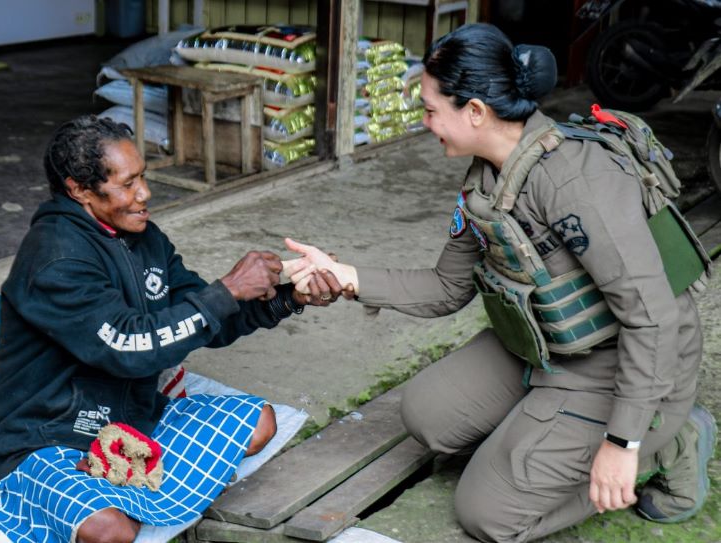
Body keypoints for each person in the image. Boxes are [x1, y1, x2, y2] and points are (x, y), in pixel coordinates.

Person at [282, 23, 717, 543]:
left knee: (488, 512)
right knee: (429, 416)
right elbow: (448, 286)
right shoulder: (488, 177)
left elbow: (652, 317)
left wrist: (620, 445)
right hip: (543, 347)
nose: (425, 123)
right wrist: (346, 277)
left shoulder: (577, 180)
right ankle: (548, 435)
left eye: (429, 110)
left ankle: (666, 439)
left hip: (621, 363)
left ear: (474, 111)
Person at [0, 114, 342, 543]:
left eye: (143, 177)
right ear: (79, 189)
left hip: (128, 418)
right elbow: (128, 345)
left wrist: (288, 298)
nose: (145, 194)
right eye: (127, 183)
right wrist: (227, 290)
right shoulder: (55, 258)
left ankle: (108, 487)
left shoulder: (145, 238)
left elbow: (202, 321)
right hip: (51, 431)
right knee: (110, 530)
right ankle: (62, 493)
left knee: (257, 423)